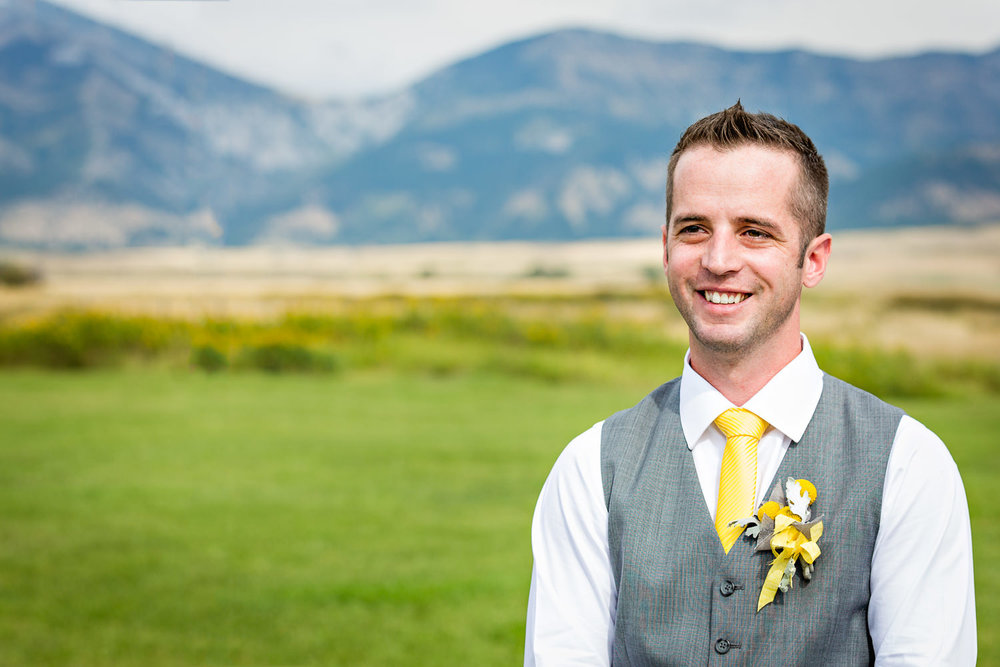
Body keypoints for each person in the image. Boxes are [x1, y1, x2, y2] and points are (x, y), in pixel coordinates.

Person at [524, 102, 976, 665]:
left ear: (813, 260)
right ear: (665, 246)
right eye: (694, 229)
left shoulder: (909, 466)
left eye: (754, 232)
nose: (718, 259)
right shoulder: (589, 469)